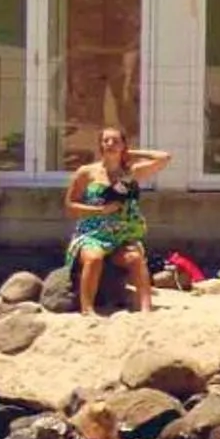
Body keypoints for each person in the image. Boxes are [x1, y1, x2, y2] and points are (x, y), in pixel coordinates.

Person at [67, 126, 170, 315]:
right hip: (92, 233)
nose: (110, 144)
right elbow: (70, 205)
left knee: (135, 258)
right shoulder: (86, 172)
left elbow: (164, 158)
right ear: (100, 145)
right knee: (94, 258)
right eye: (106, 140)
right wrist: (100, 210)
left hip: (121, 235)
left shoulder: (131, 172)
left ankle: (146, 308)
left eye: (115, 141)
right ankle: (87, 309)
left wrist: (132, 153)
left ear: (123, 145)